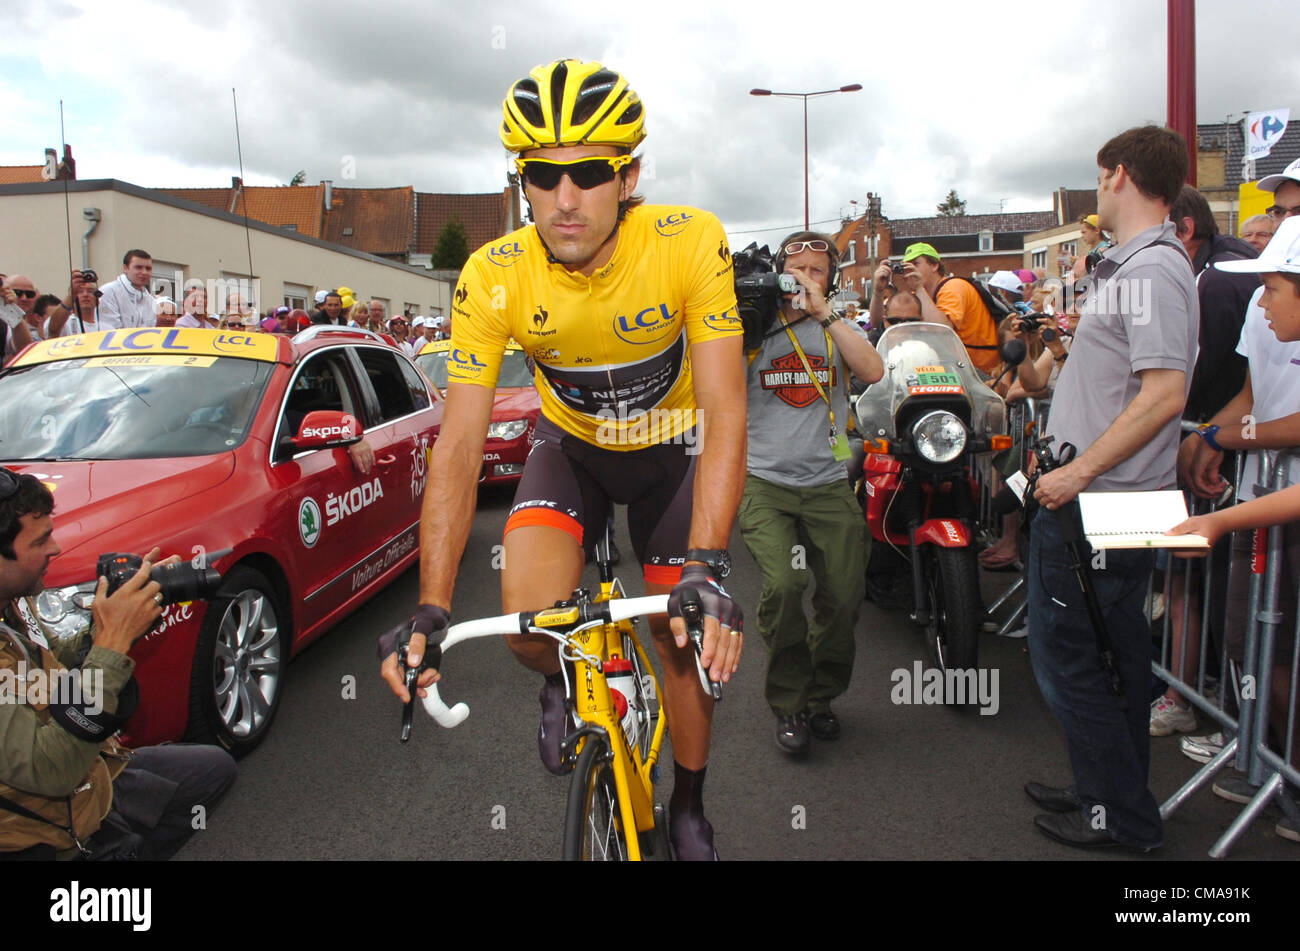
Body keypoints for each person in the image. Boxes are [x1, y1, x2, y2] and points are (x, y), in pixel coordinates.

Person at [379, 59, 746, 860]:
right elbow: (460, 447)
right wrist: (433, 606)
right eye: (543, 175)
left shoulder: (689, 241)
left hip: (673, 451)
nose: (566, 198)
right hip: (570, 449)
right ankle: (562, 676)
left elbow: (725, 412)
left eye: (589, 173)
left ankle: (688, 801)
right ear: (523, 181)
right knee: (524, 621)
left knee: (678, 638)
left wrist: (709, 563)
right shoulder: (493, 274)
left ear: (630, 175)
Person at [1026, 124, 1198, 853]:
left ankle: (1119, 814)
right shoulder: (1131, 267)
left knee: (1074, 659)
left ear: (1120, 174)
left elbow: (1163, 393)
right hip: (1103, 496)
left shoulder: (1152, 270)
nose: (1097, 188)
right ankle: (1107, 791)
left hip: (1103, 501)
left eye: (1101, 176)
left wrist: (1077, 470)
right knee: (1108, 655)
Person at [0, 469, 236, 859]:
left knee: (212, 770)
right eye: (41, 540)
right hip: (38, 824)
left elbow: (53, 663)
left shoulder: (11, 601)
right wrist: (111, 645)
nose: (55, 548)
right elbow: (51, 770)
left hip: (87, 774)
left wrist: (119, 619)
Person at [740, 231, 882, 754]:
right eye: (794, 268)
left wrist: (824, 312)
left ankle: (822, 698)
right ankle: (789, 704)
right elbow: (716, 385)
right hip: (767, 483)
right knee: (782, 587)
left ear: (833, 279)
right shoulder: (753, 328)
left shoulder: (836, 328)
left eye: (816, 270)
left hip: (827, 483)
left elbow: (872, 370)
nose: (803, 278)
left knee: (843, 598)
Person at [1175, 210, 1300, 773]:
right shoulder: (1260, 310)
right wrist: (1214, 434)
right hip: (1262, 503)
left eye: (1272, 286)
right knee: (1251, 646)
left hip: (1267, 505)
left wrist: (1225, 436)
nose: (1262, 297)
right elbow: (1251, 398)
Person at [895, 242, 1001, 376]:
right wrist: (878, 291)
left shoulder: (954, 287)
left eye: (915, 264)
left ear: (934, 265)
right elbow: (881, 323)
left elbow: (942, 330)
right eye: (906, 266)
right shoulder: (922, 295)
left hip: (979, 372)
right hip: (953, 367)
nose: (909, 270)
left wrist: (919, 288)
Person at [97, 250, 155, 330]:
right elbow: (109, 331)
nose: (144, 272)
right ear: (125, 268)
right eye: (138, 267)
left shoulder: (150, 300)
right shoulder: (109, 292)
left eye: (148, 268)